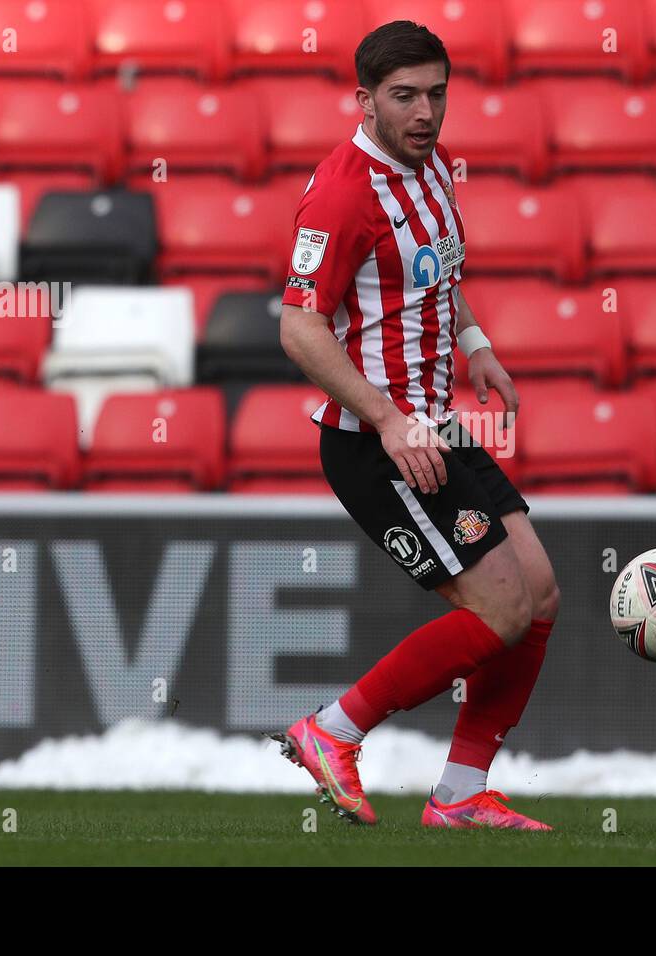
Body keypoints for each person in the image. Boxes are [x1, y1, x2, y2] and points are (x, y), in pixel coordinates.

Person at [273, 20, 560, 830]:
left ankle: (462, 794)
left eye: (436, 93)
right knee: (501, 611)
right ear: (363, 100)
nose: (426, 112)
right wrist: (392, 421)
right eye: (405, 97)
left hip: (431, 421)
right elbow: (299, 330)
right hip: (378, 441)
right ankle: (331, 732)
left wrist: (477, 345)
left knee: (539, 597)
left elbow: (437, 272)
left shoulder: (427, 165)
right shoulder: (343, 192)